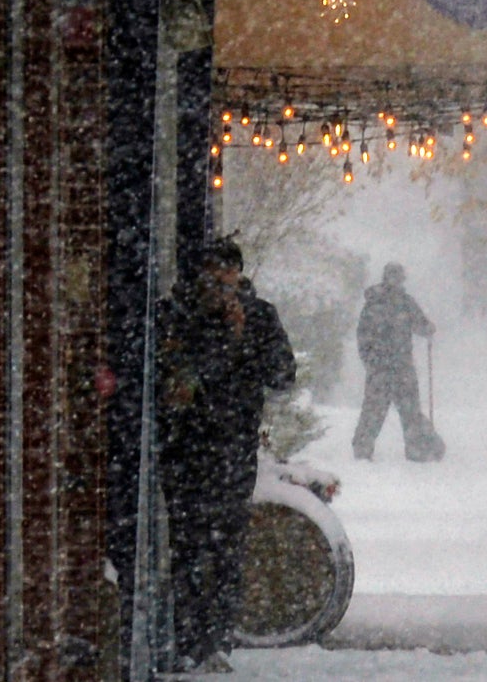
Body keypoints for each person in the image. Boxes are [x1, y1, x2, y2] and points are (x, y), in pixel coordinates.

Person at [158, 237, 295, 675]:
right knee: (187, 546)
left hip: (233, 449)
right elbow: (172, 374)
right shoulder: (177, 315)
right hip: (185, 448)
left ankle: (217, 638)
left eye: (228, 274)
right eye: (213, 276)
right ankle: (186, 637)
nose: (222, 285)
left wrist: (245, 340)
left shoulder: (258, 316)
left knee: (227, 547)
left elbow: (282, 374)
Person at [352, 263, 445, 462]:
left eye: (398, 277)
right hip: (388, 367)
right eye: (393, 277)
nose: (396, 281)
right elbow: (363, 337)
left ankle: (412, 450)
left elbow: (420, 324)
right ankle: (364, 451)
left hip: (397, 367)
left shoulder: (403, 303)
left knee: (401, 410)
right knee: (379, 410)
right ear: (387, 278)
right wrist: (371, 361)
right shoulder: (380, 303)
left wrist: (427, 328)